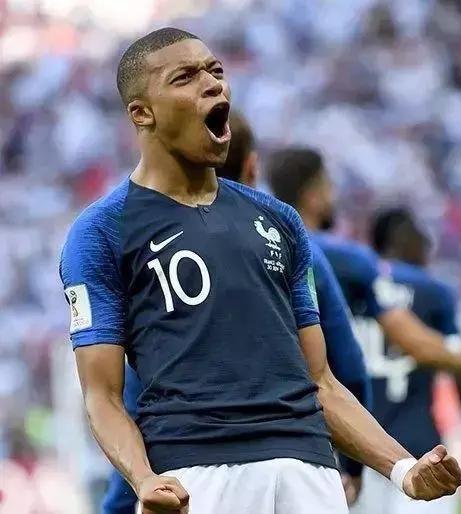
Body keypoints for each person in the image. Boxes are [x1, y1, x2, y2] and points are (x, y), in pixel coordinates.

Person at [60, 28, 461, 514]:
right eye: (185, 77)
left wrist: (403, 469)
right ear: (142, 113)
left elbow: (321, 381)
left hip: (309, 470)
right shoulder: (102, 232)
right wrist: (144, 479)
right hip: (198, 476)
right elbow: (102, 397)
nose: (212, 84)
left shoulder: (279, 221)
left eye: (215, 71)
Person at [101, 109, 370, 513]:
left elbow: (135, 395)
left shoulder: (141, 240)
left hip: (181, 468)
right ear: (252, 166)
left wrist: (128, 493)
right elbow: (346, 367)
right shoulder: (294, 241)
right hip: (295, 458)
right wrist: (354, 466)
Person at [266, 146, 461, 381]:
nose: (334, 195)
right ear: (313, 195)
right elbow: (414, 343)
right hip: (333, 391)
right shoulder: (349, 260)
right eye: (328, 186)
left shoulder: (263, 250)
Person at [349, 206, 461, 514]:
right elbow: (456, 365)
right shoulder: (432, 290)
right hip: (420, 448)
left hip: (358, 448)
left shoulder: (352, 285)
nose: (427, 245)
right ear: (403, 238)